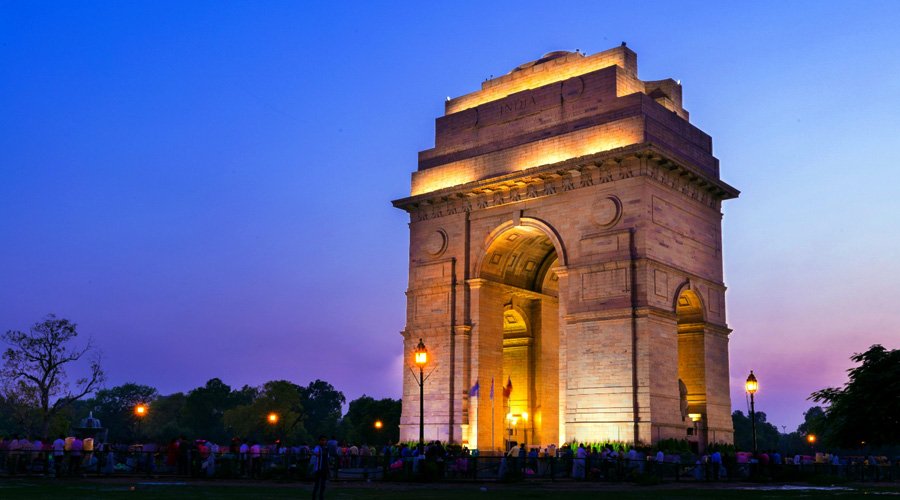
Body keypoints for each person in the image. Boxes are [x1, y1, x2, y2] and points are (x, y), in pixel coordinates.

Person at [311, 436, 330, 500]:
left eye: (324, 440)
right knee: (317, 484)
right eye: (322, 440)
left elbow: (327, 459)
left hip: (324, 468)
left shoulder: (326, 448)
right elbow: (316, 453)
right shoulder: (317, 447)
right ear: (319, 441)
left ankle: (321, 497)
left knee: (323, 485)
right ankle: (314, 497)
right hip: (318, 468)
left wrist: (328, 468)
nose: (323, 441)